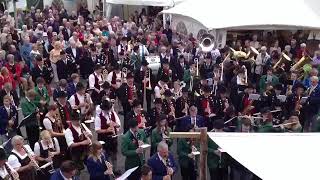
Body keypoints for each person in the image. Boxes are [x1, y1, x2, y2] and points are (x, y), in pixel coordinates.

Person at [95, 99, 121, 170]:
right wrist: (106, 130)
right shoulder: (98, 117)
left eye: (108, 109)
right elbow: (97, 130)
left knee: (114, 154)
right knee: (105, 156)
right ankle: (107, 170)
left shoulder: (113, 113)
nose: (108, 111)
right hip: (104, 139)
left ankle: (115, 169)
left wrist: (114, 124)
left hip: (113, 138)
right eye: (106, 110)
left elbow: (119, 125)